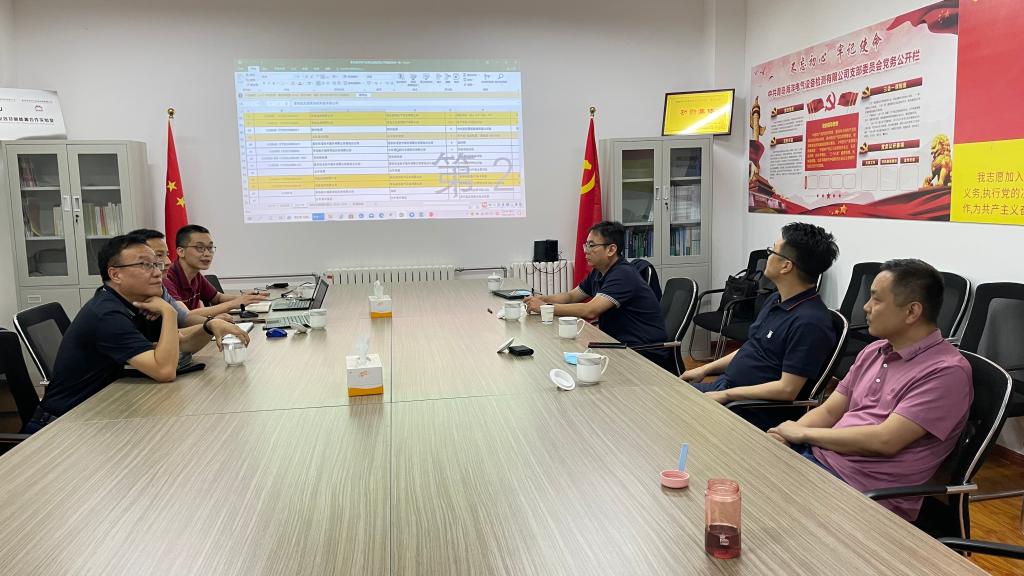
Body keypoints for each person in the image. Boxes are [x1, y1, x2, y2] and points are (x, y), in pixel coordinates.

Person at [766, 259, 972, 522]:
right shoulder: (875, 350)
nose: (866, 307)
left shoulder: (946, 372)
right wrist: (786, 436)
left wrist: (802, 433)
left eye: (876, 299)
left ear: (912, 312)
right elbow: (829, 411)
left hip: (863, 493)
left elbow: (884, 441)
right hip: (819, 462)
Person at [23, 234, 227, 433]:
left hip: (102, 410)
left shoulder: (137, 303)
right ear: (115, 274)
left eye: (156, 264)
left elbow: (180, 344)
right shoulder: (107, 314)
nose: (158, 272)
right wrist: (169, 312)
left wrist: (208, 327)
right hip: (62, 425)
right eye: (145, 265)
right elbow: (165, 371)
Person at [679, 223, 839, 419]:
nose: (767, 257)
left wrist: (727, 395)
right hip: (727, 389)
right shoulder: (775, 299)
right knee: (666, 394)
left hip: (749, 409)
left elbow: (787, 389)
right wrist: (705, 369)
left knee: (669, 412)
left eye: (772, 252)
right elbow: (752, 347)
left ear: (786, 266)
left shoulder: (810, 322)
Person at [524, 221, 672, 371]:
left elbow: (590, 310)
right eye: (586, 245)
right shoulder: (599, 271)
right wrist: (542, 299)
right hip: (617, 344)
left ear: (611, 249)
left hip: (642, 353)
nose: (586, 251)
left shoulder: (623, 274)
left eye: (592, 246)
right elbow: (571, 296)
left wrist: (545, 307)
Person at [129, 228, 251, 354]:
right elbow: (152, 352)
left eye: (210, 248)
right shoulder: (165, 280)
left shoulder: (161, 288)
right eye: (200, 248)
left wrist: (212, 324)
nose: (168, 262)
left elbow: (184, 319)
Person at [164, 224, 266, 316]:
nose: (207, 254)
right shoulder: (167, 278)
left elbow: (217, 298)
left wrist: (245, 298)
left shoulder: (196, 275)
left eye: (210, 247)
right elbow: (185, 315)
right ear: (181, 251)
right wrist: (233, 304)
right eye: (200, 247)